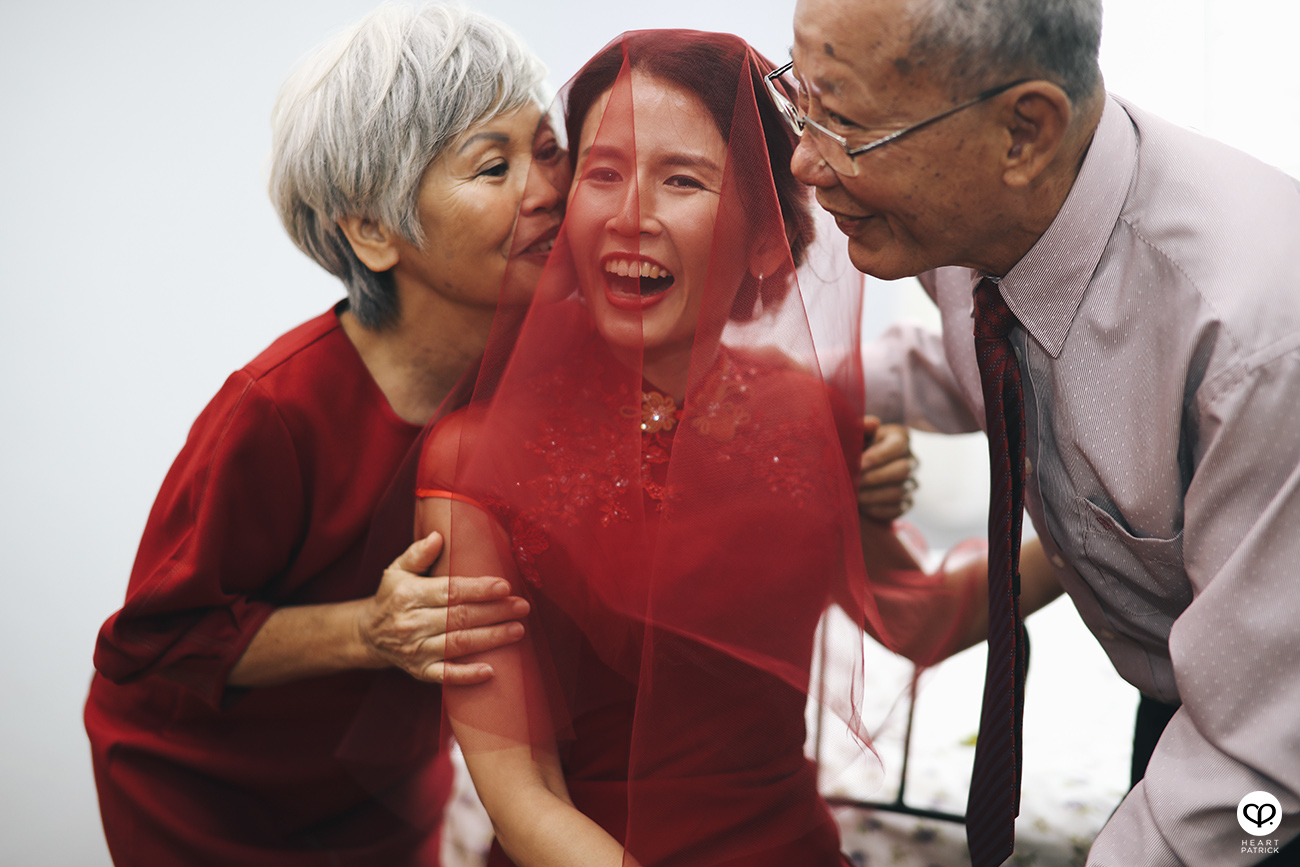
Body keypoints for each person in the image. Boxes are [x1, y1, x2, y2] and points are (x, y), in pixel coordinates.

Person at [411, 29, 988, 867]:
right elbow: (521, 789)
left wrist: (1099, 549)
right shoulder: (474, 456)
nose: (629, 215)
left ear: (765, 236)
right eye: (602, 174)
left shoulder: (807, 413)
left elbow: (920, 618)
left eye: (681, 179)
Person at [782, 0, 1300, 864]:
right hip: (1193, 699)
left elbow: (1257, 760)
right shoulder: (974, 220)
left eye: (847, 127)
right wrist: (760, 393)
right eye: (798, 101)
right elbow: (980, 360)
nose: (805, 161)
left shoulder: (1252, 340)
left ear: (1025, 130)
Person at [84, 6, 568, 864]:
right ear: (372, 231)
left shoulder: (548, 364)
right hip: (205, 794)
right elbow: (156, 645)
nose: (549, 187)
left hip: (385, 783)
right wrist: (371, 629)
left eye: (550, 148)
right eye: (494, 165)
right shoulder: (275, 410)